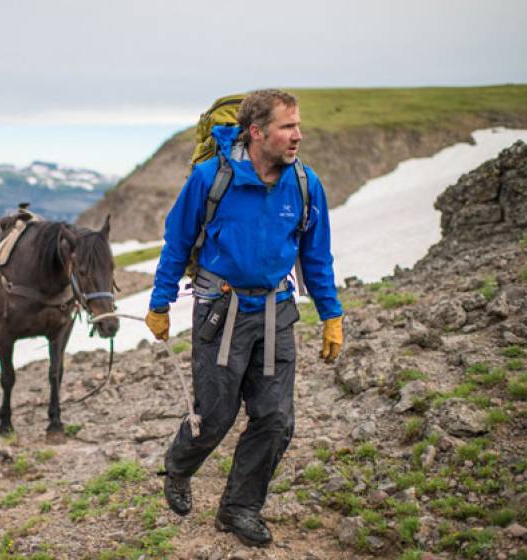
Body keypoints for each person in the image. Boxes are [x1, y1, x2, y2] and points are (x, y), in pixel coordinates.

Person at [144, 89, 343, 548]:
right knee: (215, 415)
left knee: (275, 419)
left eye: (298, 125)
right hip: (221, 311)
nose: (298, 135)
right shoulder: (210, 178)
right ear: (256, 133)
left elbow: (317, 257)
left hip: (276, 313)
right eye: (287, 127)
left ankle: (239, 508)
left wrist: (332, 314)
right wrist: (160, 303)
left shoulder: (306, 184)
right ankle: (178, 466)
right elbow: (177, 242)